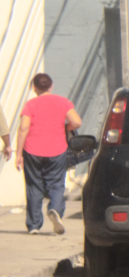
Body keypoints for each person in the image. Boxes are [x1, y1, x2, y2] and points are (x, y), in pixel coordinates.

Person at [14, 73, 81, 235]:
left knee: (33, 186)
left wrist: (18, 153)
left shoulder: (30, 105)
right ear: (51, 86)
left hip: (32, 150)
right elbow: (77, 122)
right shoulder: (63, 102)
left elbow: (23, 128)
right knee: (56, 184)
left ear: (34, 88)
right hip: (57, 150)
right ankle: (56, 210)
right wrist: (65, 128)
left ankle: (34, 225)